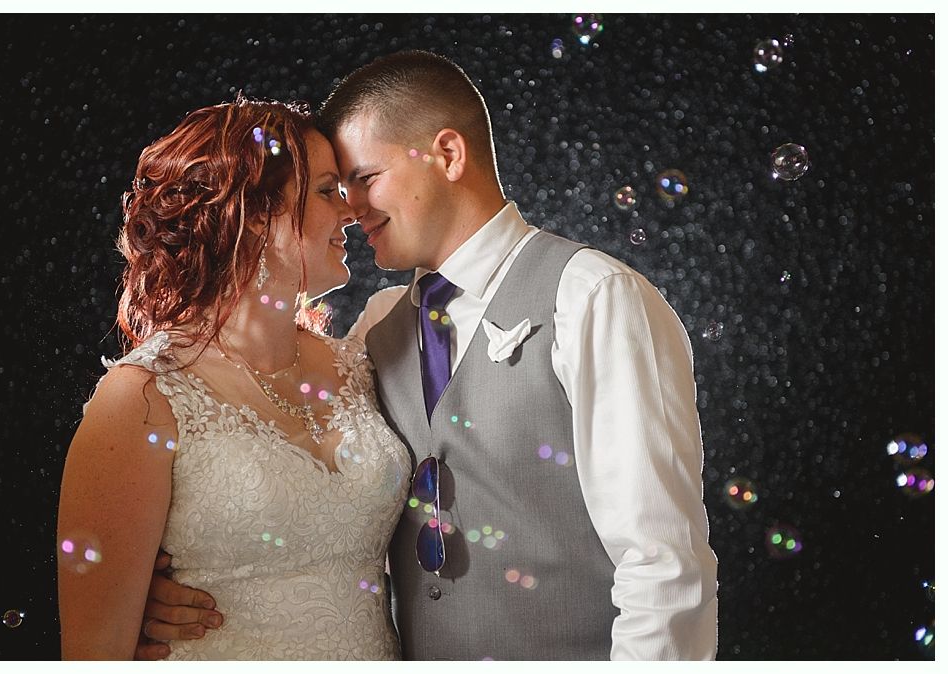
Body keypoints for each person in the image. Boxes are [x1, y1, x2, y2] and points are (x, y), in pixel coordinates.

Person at [140, 50, 718, 660]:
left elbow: (663, 566)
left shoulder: (593, 299)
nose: (349, 208)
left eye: (364, 179)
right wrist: (168, 580)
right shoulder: (375, 328)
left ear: (448, 155)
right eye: (336, 190)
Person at [56, 96, 412, 660]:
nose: (350, 211)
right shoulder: (143, 398)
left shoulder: (359, 363)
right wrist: (129, 598)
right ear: (250, 213)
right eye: (325, 190)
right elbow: (92, 654)